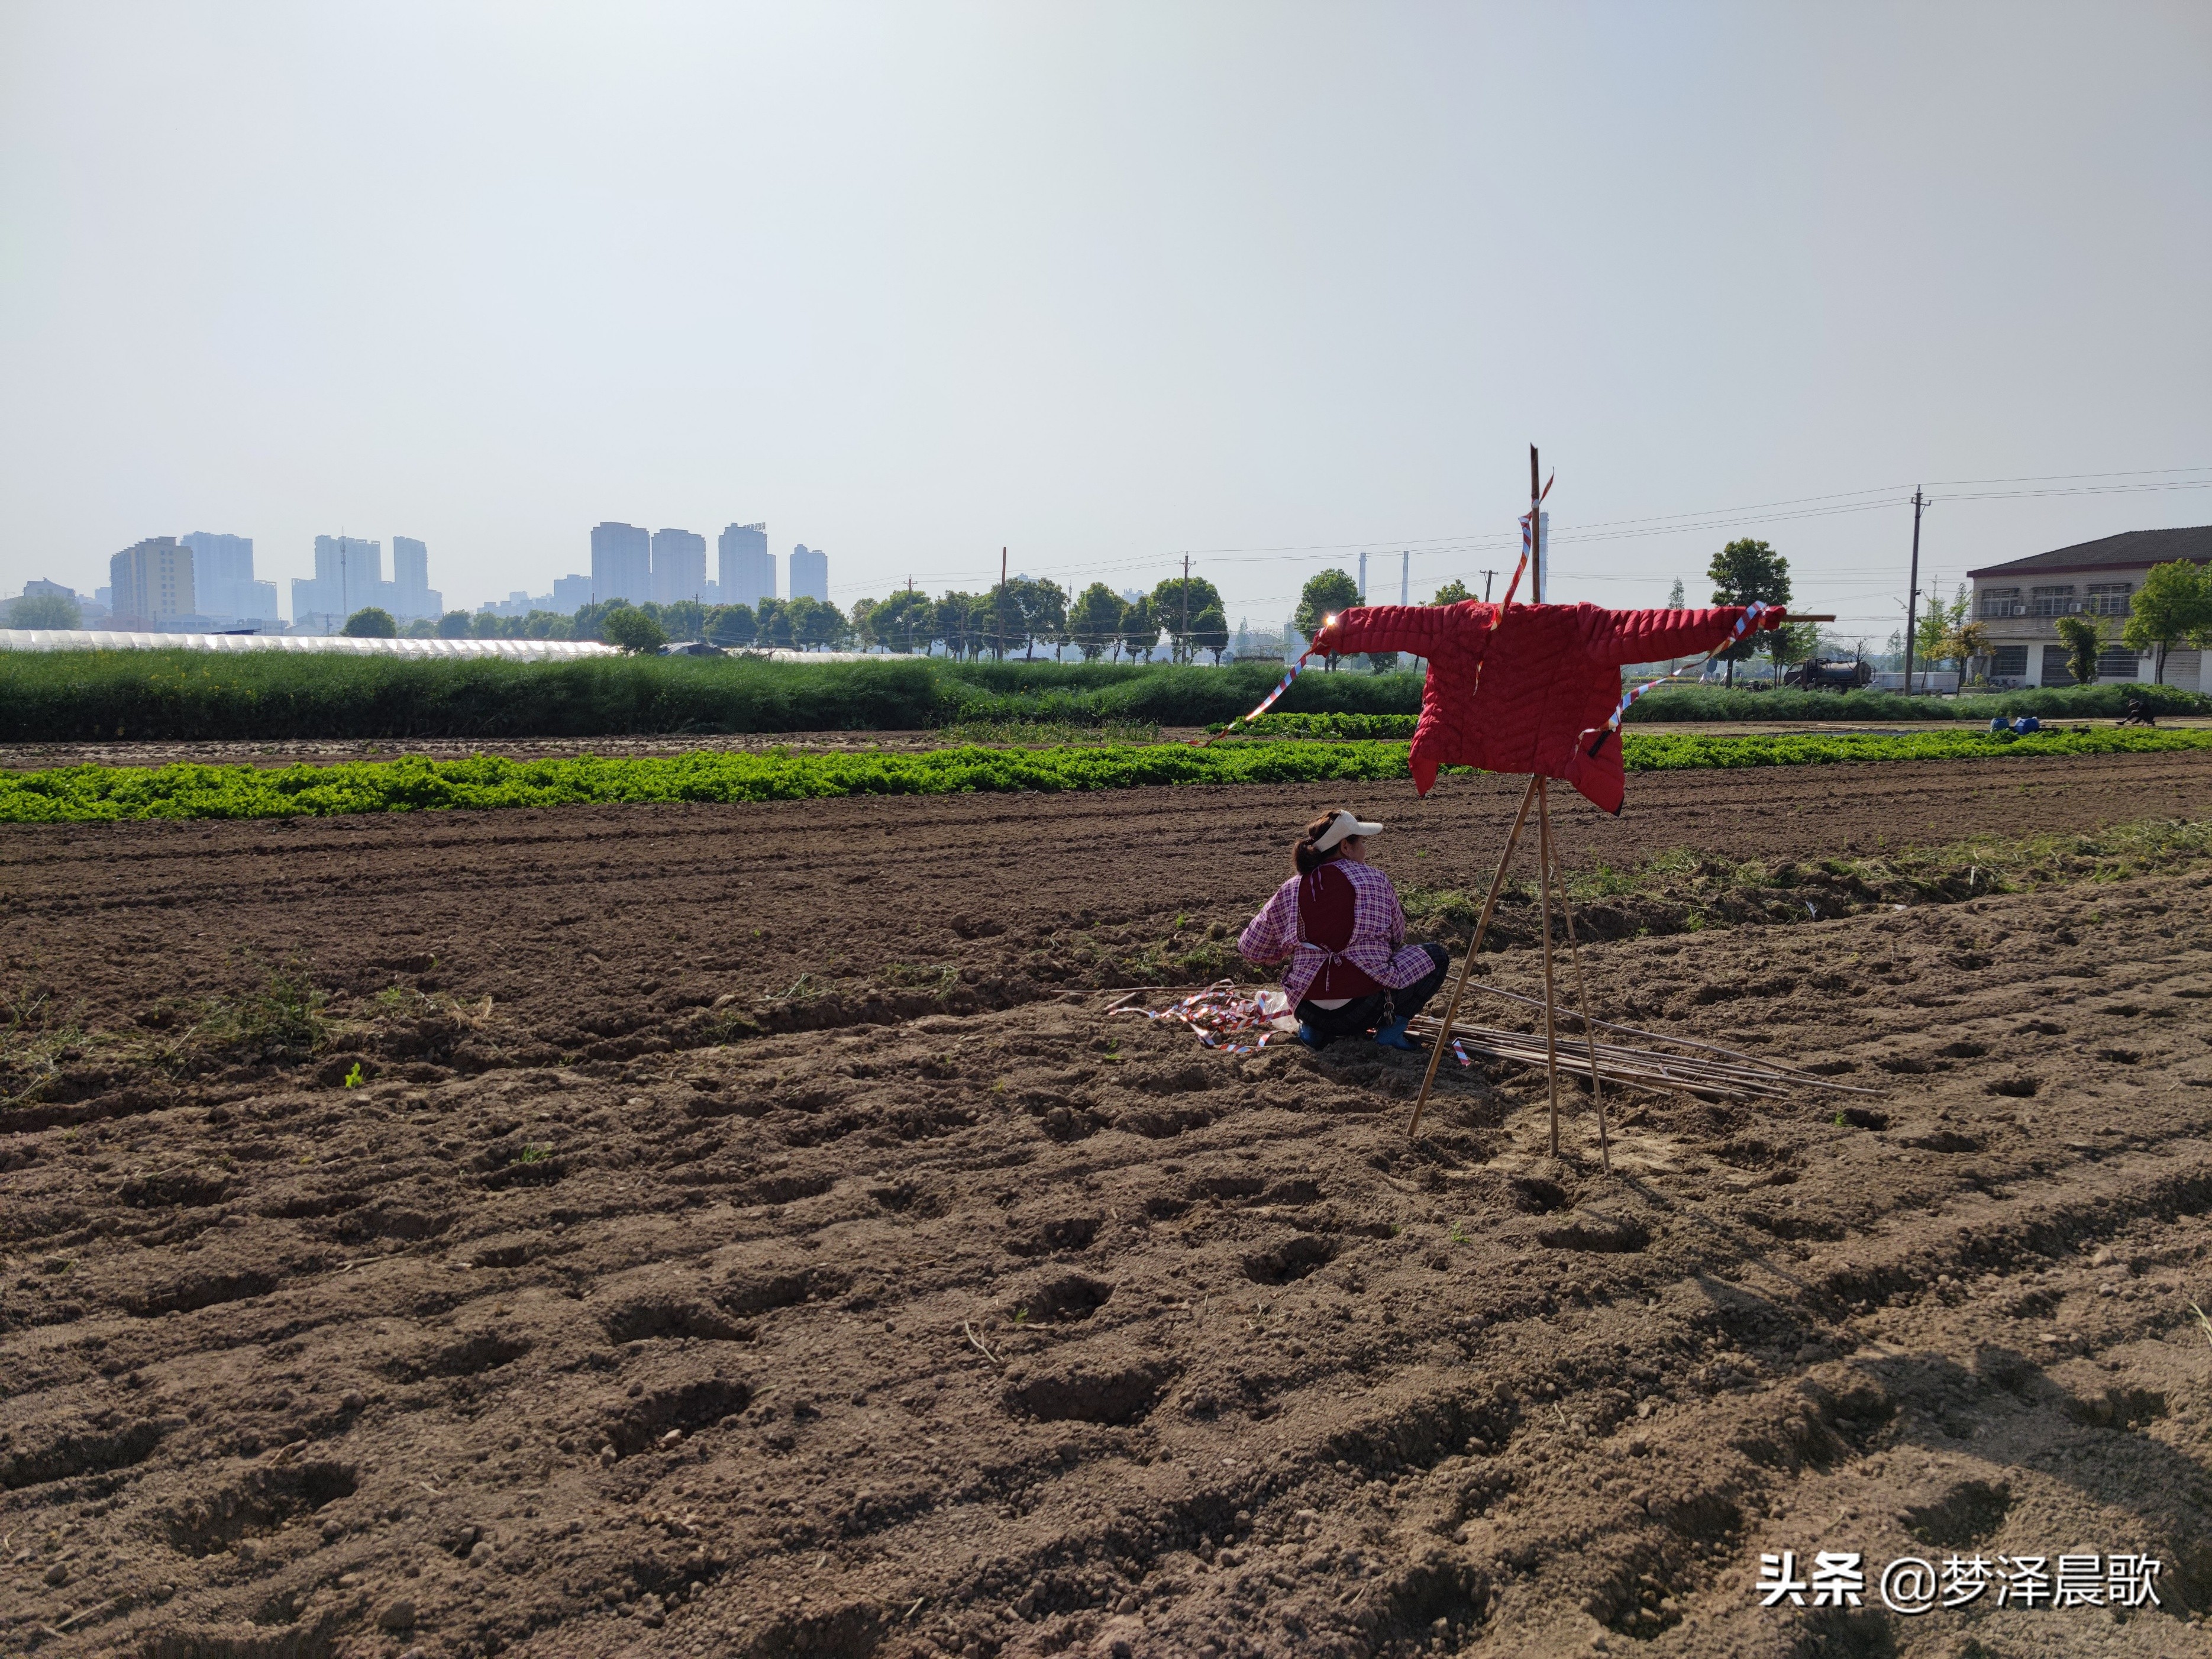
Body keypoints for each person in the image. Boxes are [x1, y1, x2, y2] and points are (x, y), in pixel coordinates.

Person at [1237, 808, 1451, 1051]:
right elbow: (1396, 938)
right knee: (1436, 956)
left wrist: (1290, 951)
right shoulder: (1376, 879)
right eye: (1361, 842)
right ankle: (1390, 1034)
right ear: (1345, 847)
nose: (1364, 850)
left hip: (1309, 1008)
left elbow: (1251, 947)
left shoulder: (1292, 887)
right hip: (1366, 1007)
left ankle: (1313, 1032)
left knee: (1306, 978)